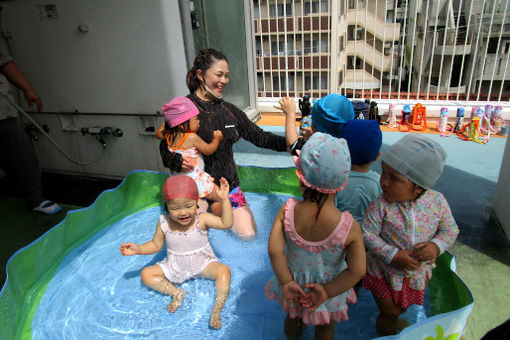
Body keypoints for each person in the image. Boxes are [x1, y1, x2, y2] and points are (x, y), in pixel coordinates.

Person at [158, 48, 287, 239]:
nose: (224, 81)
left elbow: (260, 137)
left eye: (226, 76)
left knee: (248, 236)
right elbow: (165, 139)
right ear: (201, 75)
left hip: (228, 187)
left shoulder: (229, 111)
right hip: (193, 191)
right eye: (219, 75)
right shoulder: (185, 109)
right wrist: (173, 159)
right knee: (186, 238)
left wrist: (293, 143)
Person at [265, 133, 366, 340]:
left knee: (293, 319)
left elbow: (274, 251)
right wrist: (327, 292)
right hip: (327, 290)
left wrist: (286, 282)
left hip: (294, 284)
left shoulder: (287, 211)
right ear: (343, 182)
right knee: (326, 329)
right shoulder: (349, 226)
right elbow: (358, 271)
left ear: (300, 177)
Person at [361, 134, 459, 335]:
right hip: (383, 271)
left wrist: (436, 246)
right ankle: (387, 331)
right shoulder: (381, 204)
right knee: (389, 312)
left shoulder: (437, 202)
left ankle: (394, 323)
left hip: (415, 274)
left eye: (394, 178)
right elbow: (367, 234)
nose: (384, 182)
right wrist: (394, 255)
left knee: (401, 309)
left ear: (419, 186)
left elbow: (450, 229)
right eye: (384, 173)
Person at [119, 175, 233, 329]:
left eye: (188, 206)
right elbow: (155, 245)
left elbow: (226, 223)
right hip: (174, 266)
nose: (183, 212)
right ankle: (176, 293)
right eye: (175, 208)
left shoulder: (202, 219)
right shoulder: (164, 223)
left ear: (197, 203)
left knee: (224, 271)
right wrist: (138, 249)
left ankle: (217, 308)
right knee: (146, 274)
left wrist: (224, 200)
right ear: (167, 207)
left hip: (203, 264)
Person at [0, 42, 61, 214]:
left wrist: (28, 89)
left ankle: (35, 199)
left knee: (21, 154)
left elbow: (5, 62)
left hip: (2, 111)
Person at [160, 96, 225, 213]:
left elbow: (159, 133)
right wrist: (217, 139)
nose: (199, 121)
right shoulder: (191, 137)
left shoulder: (168, 137)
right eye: (195, 119)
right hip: (196, 182)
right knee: (221, 197)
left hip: (178, 184)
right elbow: (209, 150)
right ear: (181, 125)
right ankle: (214, 222)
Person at [335, 119, 382, 224]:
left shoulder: (336, 181)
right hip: (370, 233)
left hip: (340, 233)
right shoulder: (379, 182)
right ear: (377, 156)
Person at [276, 94, 354, 155]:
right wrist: (314, 137)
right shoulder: (348, 147)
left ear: (314, 126)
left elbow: (293, 146)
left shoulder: (317, 152)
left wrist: (290, 113)